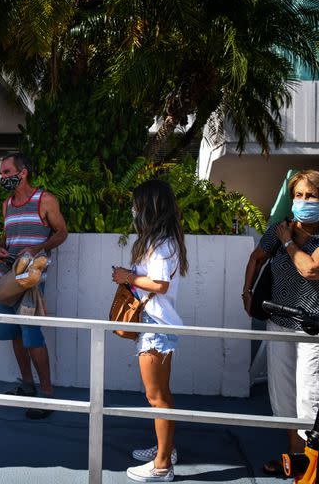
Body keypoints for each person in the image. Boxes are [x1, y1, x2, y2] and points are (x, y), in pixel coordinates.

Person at [242, 169, 319, 475]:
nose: (303, 201)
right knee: (285, 398)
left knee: (310, 398)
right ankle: (294, 460)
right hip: (279, 324)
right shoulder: (279, 228)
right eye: (298, 195)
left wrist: (289, 243)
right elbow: (256, 257)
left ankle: (315, 469)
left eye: (311, 196)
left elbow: (312, 270)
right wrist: (246, 292)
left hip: (316, 330)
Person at [112, 179, 188, 483]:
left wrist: (126, 275)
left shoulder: (161, 243)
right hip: (155, 323)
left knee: (156, 396)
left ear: (149, 207)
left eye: (136, 203)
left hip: (156, 325)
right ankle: (165, 450)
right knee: (160, 394)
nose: (133, 209)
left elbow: (160, 285)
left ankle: (162, 466)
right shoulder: (162, 240)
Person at [0, 152, 67, 419]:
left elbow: (62, 232)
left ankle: (46, 395)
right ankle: (27, 385)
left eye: (7, 172)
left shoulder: (44, 200)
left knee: (32, 336)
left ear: (23, 173)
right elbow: (5, 239)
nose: (3, 177)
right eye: (1, 173)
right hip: (9, 279)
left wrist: (39, 247)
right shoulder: (7, 204)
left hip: (32, 281)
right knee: (14, 334)